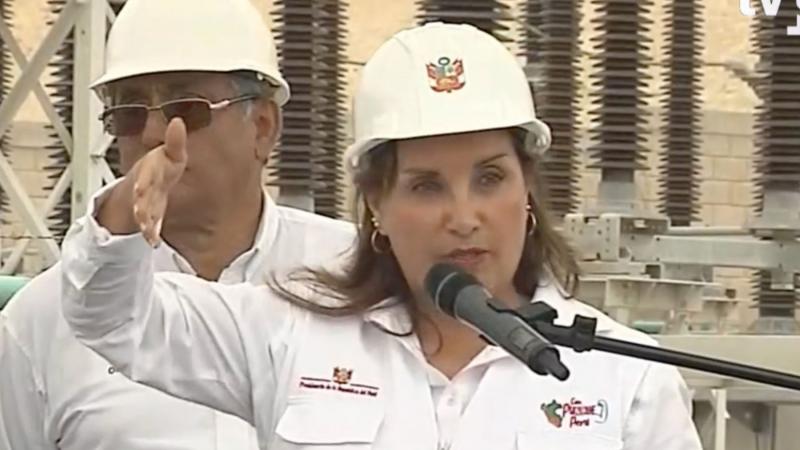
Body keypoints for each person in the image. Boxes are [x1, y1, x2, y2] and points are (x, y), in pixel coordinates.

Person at [58, 22, 703, 450]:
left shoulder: (626, 378)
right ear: (377, 205)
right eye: (426, 186)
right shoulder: (288, 330)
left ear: (527, 190)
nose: (463, 216)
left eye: (489, 178)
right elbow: (110, 318)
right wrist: (124, 206)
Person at [0, 0, 355, 449]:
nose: (155, 135)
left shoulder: (358, 279)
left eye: (186, 108)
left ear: (263, 127)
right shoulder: (44, 318)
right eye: (129, 113)